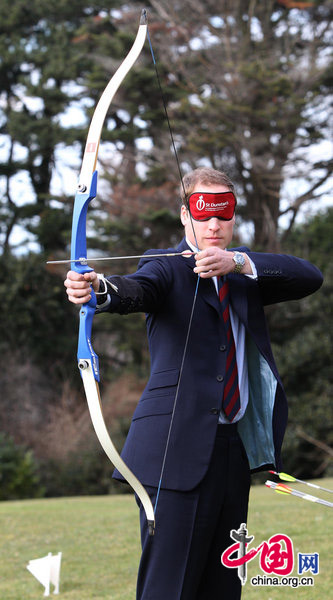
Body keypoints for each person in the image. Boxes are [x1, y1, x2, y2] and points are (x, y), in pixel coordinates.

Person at [64, 167, 323, 600]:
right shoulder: (165, 266)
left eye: (224, 213)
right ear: (186, 217)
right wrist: (99, 290)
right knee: (169, 589)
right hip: (173, 453)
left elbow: (309, 276)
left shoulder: (244, 272)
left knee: (223, 587)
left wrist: (237, 262)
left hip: (232, 454)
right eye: (203, 214)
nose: (214, 224)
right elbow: (135, 289)